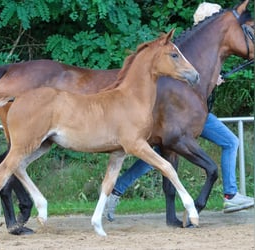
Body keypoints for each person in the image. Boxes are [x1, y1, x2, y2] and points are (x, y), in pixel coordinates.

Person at [104, 2, 254, 222]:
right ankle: (229, 194)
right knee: (158, 155)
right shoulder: (190, 52)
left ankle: (117, 189)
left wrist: (214, 79)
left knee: (158, 155)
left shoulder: (205, 52)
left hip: (194, 115)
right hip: (184, 116)